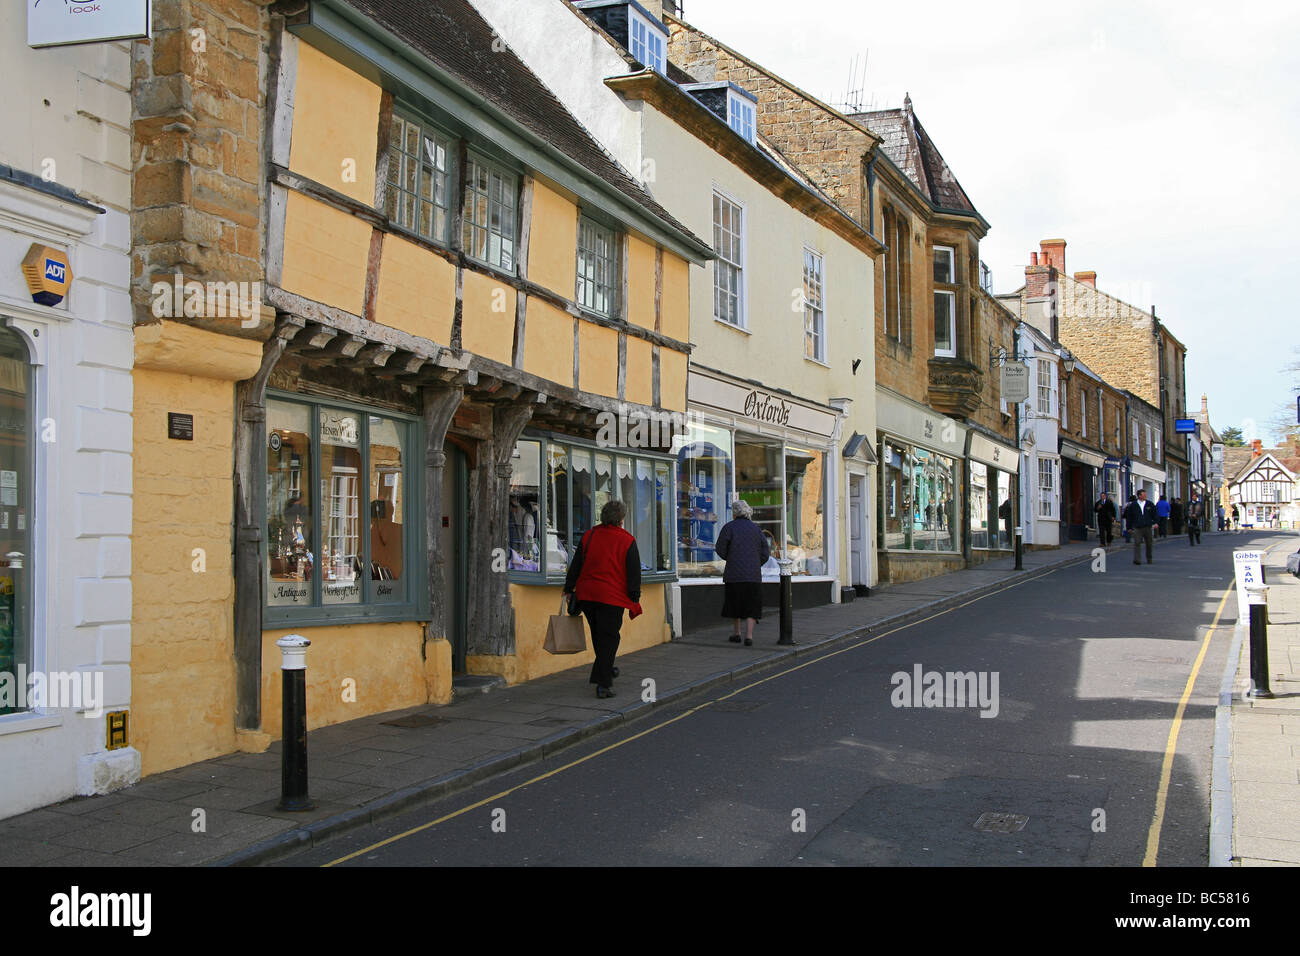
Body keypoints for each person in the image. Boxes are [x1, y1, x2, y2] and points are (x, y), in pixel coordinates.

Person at [562, 500, 641, 699]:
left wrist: (568, 588)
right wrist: (634, 595)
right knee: (610, 637)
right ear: (621, 519)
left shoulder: (589, 536)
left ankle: (607, 667)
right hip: (611, 596)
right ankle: (603, 683)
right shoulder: (627, 540)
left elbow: (577, 563)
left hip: (587, 594)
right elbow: (633, 572)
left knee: (599, 635)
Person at [714, 499, 769, 647]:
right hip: (753, 575)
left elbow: (720, 548)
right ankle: (749, 636)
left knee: (735, 603)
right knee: (752, 605)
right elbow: (765, 552)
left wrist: (731, 558)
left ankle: (737, 633)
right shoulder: (756, 530)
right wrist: (757, 563)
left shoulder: (729, 528)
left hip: (734, 574)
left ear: (734, 514)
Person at [1124, 488, 1158, 565]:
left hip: (1148, 527)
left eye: (1146, 494)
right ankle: (1137, 560)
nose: (1146, 496)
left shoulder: (1150, 504)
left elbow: (1155, 514)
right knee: (1137, 543)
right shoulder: (1133, 505)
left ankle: (1149, 558)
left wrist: (1156, 522)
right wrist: (1128, 527)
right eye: (1144, 494)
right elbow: (1129, 517)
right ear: (1139, 496)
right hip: (1137, 527)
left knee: (1149, 543)